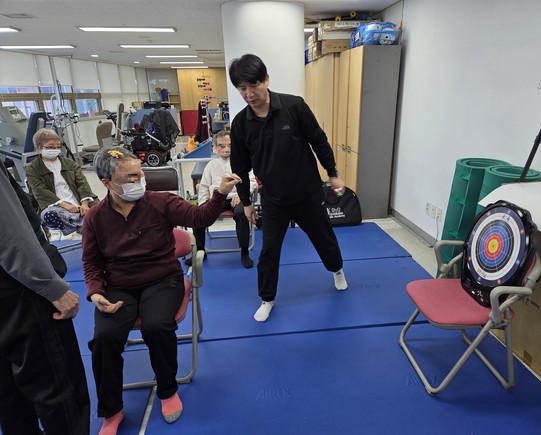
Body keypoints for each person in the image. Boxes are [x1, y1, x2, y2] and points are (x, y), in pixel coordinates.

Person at [82, 147, 239, 434]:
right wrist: (96, 293)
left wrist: (219, 194)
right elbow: (91, 262)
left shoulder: (160, 201)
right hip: (119, 286)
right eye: (130, 177)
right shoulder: (94, 218)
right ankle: (112, 410)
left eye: (140, 174)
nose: (139, 180)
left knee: (156, 327)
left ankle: (167, 390)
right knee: (104, 339)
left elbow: (200, 218)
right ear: (107, 183)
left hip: (162, 279)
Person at [228, 53, 348, 323]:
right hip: (274, 199)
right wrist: (246, 202)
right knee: (269, 251)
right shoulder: (240, 124)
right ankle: (267, 299)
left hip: (307, 193)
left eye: (254, 85)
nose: (249, 94)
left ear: (266, 80)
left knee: (324, 238)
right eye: (242, 88)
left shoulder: (294, 106)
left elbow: (318, 140)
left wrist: (333, 173)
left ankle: (337, 269)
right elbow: (239, 167)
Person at [0, 159, 90, 434]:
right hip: (20, 291)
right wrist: (52, 287)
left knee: (9, 395)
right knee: (58, 391)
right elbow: (10, 234)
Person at [193, 130, 258, 268]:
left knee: (241, 212)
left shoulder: (243, 163)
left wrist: (242, 195)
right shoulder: (211, 165)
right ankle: (200, 250)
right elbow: (204, 186)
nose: (226, 149)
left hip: (236, 198)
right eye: (222, 146)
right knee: (197, 214)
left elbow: (252, 182)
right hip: (217, 199)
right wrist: (203, 204)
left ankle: (244, 252)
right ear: (215, 148)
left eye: (229, 145)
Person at [26, 128, 99, 240]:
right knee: (49, 214)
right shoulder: (32, 168)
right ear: (39, 147)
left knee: (102, 209)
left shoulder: (70, 163)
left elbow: (82, 183)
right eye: (50, 147)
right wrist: (64, 205)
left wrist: (84, 203)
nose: (55, 150)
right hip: (55, 206)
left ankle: (78, 225)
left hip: (78, 202)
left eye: (57, 147)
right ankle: (84, 225)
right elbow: (40, 192)